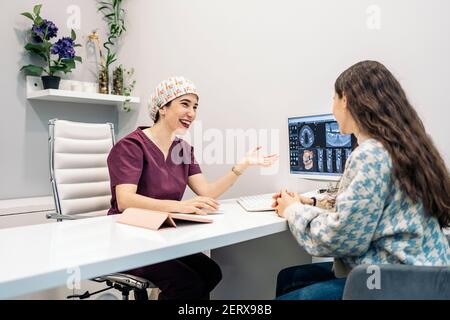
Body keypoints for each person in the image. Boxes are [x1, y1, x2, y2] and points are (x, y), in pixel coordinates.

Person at [272, 60, 450, 300]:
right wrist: (313, 203)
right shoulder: (407, 148)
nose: (332, 109)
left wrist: (292, 210)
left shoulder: (370, 154)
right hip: (429, 280)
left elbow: (341, 238)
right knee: (290, 279)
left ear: (345, 99)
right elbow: (376, 209)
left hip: (393, 284)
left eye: (333, 99)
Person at [107, 76, 278, 300]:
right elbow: (125, 200)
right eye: (185, 104)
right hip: (130, 239)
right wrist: (179, 206)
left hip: (162, 236)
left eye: (195, 107)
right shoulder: (131, 146)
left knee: (210, 273)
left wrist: (242, 166)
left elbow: (206, 192)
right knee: (189, 286)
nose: (192, 113)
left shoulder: (183, 149)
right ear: (163, 108)